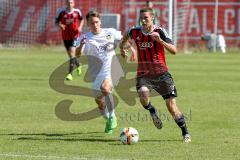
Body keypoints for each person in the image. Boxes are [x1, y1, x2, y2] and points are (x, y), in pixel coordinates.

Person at [119, 8, 191, 142]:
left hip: (162, 74)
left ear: (152, 18)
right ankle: (152, 111)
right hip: (144, 74)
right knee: (143, 94)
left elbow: (174, 51)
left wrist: (160, 41)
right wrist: (123, 49)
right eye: (141, 17)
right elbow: (124, 39)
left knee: (172, 108)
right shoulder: (134, 31)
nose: (143, 20)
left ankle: (185, 133)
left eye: (146, 17)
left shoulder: (160, 32)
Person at [76, 11, 123, 134]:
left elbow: (125, 38)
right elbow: (77, 55)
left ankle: (112, 117)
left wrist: (129, 48)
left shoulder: (110, 32)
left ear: (100, 21)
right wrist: (80, 46)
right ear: (88, 24)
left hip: (112, 69)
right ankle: (108, 119)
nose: (95, 25)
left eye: (97, 22)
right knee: (100, 102)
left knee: (105, 88)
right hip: (96, 74)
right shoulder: (84, 38)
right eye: (92, 23)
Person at [55, 0, 84, 81]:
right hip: (65, 36)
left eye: (71, 2)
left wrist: (80, 27)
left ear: (74, 3)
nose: (69, 4)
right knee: (71, 55)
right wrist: (60, 25)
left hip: (75, 35)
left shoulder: (77, 12)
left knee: (72, 54)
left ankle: (70, 74)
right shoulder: (61, 12)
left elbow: (82, 19)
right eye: (68, 2)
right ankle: (78, 65)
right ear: (66, 3)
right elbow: (56, 22)